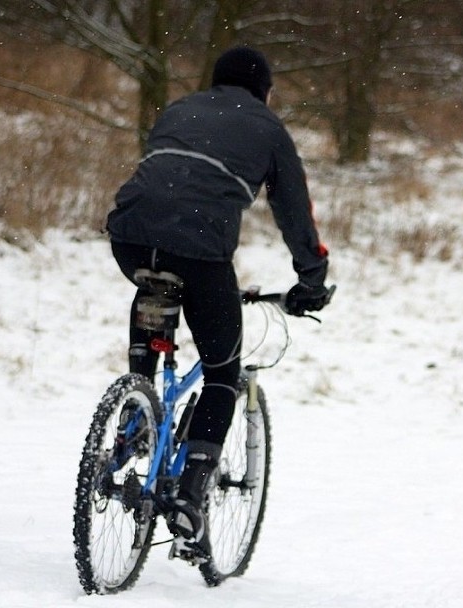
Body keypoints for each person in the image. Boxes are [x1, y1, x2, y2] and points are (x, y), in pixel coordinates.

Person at [105, 46, 331, 559]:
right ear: (264, 91)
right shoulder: (269, 129)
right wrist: (311, 278)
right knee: (222, 375)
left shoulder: (180, 108)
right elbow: (294, 209)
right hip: (201, 250)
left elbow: (169, 180)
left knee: (156, 285)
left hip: (131, 237)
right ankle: (189, 493)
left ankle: (137, 408)